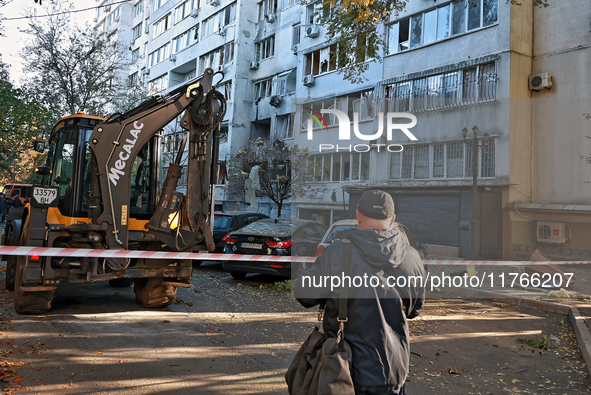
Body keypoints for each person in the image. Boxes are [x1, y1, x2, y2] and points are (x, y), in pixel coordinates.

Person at [294, 190, 426, 395]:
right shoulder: (411, 257)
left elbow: (304, 293)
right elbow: (413, 310)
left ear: (357, 216)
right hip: (392, 373)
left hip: (341, 372)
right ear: (392, 219)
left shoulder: (338, 253)